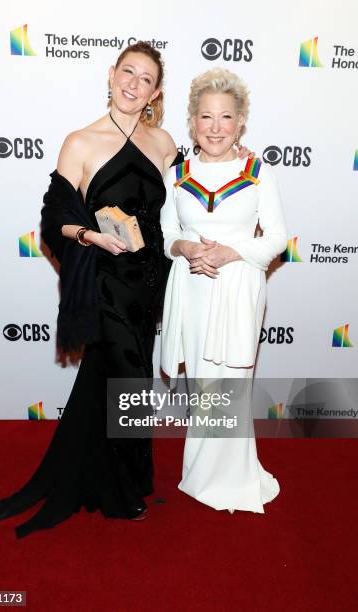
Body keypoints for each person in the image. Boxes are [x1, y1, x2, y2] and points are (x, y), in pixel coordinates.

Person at [0, 45, 252, 538]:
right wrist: (89, 236)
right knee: (129, 377)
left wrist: (236, 162)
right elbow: (53, 218)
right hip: (105, 279)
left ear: (155, 92)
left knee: (118, 381)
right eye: (128, 72)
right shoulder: (81, 142)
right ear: (111, 75)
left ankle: (108, 471)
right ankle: (123, 490)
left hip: (151, 283)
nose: (134, 84)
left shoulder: (165, 143)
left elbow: (192, 197)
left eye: (146, 79)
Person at [160, 68, 287, 513]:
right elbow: (166, 234)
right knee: (203, 382)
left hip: (237, 287)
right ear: (193, 121)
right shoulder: (176, 173)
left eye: (226, 117)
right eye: (206, 117)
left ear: (240, 122)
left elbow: (276, 240)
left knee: (231, 379)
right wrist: (187, 247)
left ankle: (232, 477)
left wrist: (231, 253)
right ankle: (200, 474)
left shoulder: (257, 171)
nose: (216, 127)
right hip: (192, 287)